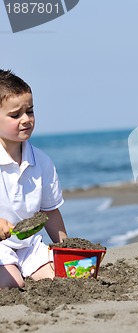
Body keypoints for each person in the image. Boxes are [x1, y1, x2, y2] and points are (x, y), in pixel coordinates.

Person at [0, 69, 68, 288]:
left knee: (63, 275)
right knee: (13, 283)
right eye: (15, 115)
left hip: (29, 246)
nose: (26, 120)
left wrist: (65, 246)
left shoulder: (42, 161)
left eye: (30, 111)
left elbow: (50, 211)